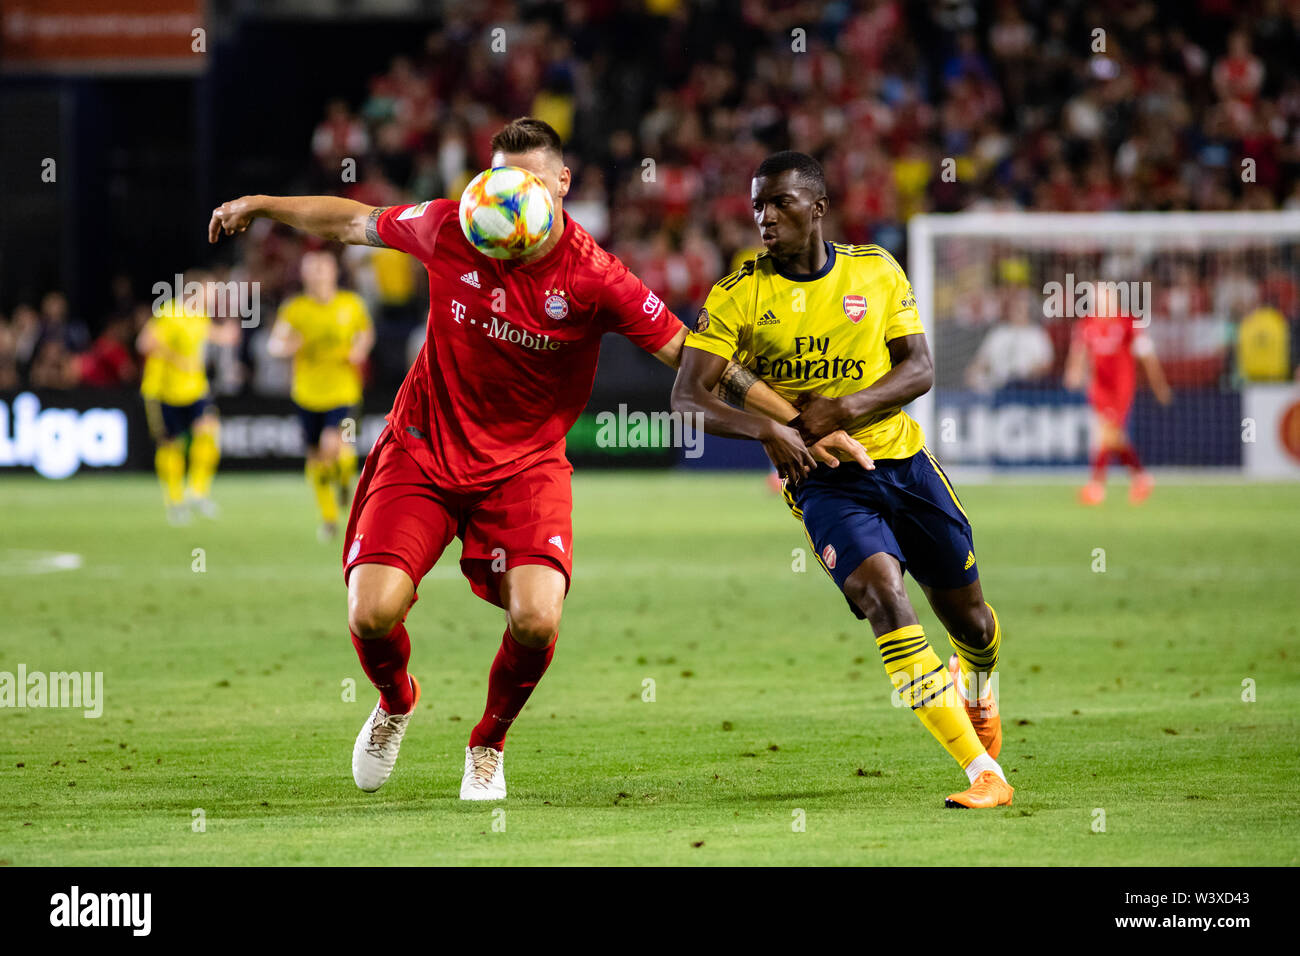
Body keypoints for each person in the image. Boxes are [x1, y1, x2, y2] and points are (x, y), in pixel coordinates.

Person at [209, 118, 865, 801]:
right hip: (423, 447)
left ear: (561, 184)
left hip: (525, 468)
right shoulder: (451, 227)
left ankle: (488, 742)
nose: (507, 194)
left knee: (536, 618)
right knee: (370, 613)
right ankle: (395, 701)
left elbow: (699, 361)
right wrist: (263, 206)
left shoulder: (594, 277)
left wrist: (805, 423)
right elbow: (354, 222)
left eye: (526, 181)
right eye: (499, 179)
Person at [672, 151, 1012, 809]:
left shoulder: (875, 271)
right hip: (824, 482)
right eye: (758, 206)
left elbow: (919, 370)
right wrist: (772, 431)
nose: (765, 217)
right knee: (884, 596)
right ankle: (982, 773)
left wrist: (845, 408)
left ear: (819, 207)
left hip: (905, 464)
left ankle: (978, 684)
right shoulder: (740, 293)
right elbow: (688, 398)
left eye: (781, 203)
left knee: (968, 619)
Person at [268, 250, 374, 540]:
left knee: (334, 446)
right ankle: (329, 517)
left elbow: (365, 333)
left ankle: (344, 483)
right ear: (303, 275)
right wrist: (288, 346)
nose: (317, 274)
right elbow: (274, 344)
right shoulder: (295, 309)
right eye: (311, 269)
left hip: (344, 392)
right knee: (316, 457)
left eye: (322, 268)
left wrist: (359, 350)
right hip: (307, 394)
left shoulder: (350, 305)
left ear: (333, 272)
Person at [138, 271, 239, 524]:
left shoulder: (200, 317)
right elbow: (145, 343)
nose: (214, 296)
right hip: (163, 391)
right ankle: (174, 502)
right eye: (211, 291)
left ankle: (197, 491)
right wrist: (176, 358)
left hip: (194, 390)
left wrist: (228, 334)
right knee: (172, 445)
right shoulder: (170, 313)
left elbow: (215, 335)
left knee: (209, 432)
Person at [1063, 285, 1172, 505]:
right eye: (1098, 299)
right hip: (1099, 388)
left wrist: (1159, 386)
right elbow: (1079, 352)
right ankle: (1141, 477)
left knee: (1107, 434)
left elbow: (1147, 356)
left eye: (1106, 298)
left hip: (1121, 388)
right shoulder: (1087, 324)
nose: (1102, 303)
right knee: (1112, 436)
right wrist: (1073, 372)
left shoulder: (1129, 322)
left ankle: (1096, 486)